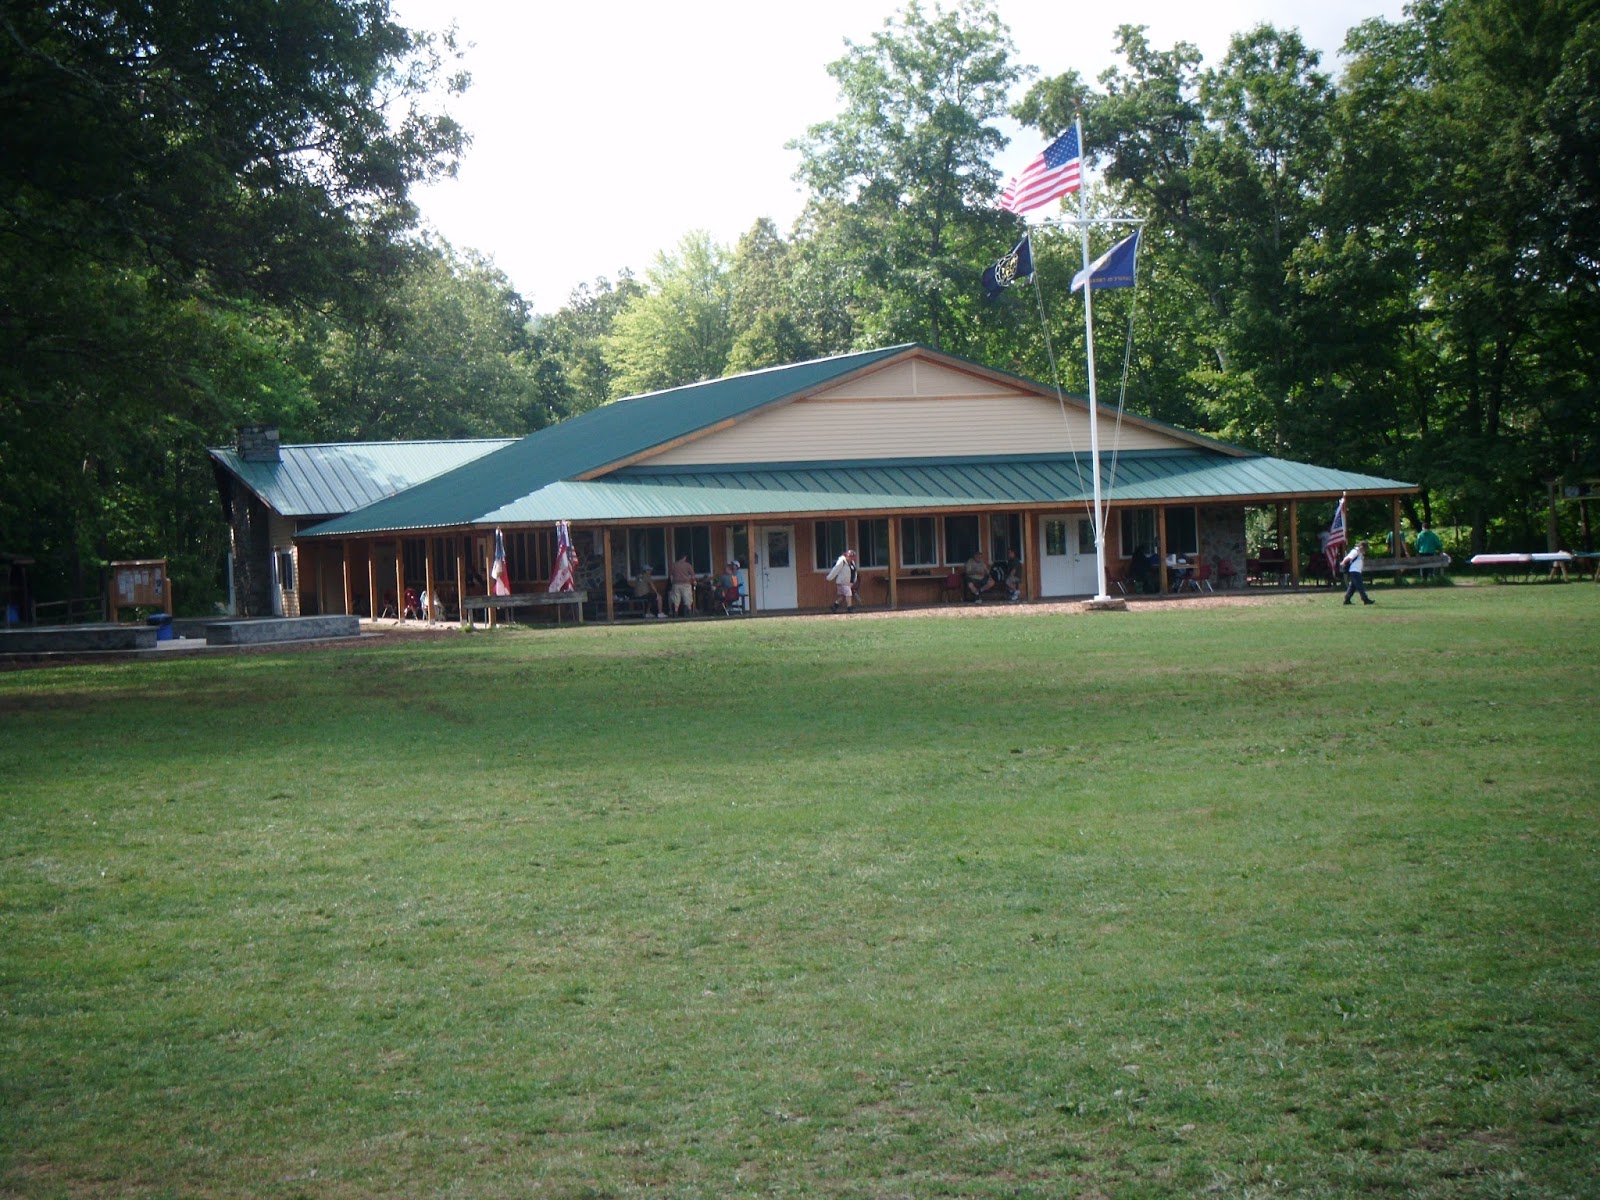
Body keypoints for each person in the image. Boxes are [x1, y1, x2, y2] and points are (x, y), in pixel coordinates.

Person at [1341, 540, 1375, 605]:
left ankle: (1347, 600)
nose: (1365, 550)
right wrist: (1343, 562)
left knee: (1352, 587)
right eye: (1365, 549)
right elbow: (1348, 558)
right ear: (1361, 547)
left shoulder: (1360, 553)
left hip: (1357, 571)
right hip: (1354, 571)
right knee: (1360, 586)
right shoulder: (1355, 551)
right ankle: (1365, 599)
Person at [825, 547, 858, 613]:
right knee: (848, 594)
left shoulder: (852, 563)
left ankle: (834, 606)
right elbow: (835, 570)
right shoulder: (842, 561)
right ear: (846, 555)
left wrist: (854, 580)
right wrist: (829, 577)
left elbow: (854, 571)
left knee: (843, 596)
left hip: (849, 582)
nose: (851, 558)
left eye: (852, 557)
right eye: (850, 557)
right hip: (842, 582)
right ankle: (849, 607)